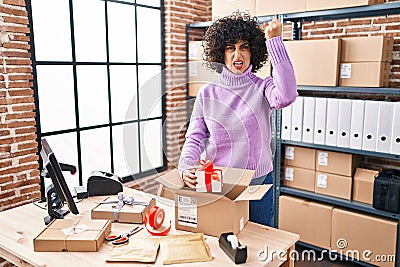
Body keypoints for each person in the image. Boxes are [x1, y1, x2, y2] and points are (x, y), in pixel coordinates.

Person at [178, 11, 298, 226]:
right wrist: (186, 167)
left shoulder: (263, 86)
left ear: (253, 51)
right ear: (221, 54)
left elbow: (287, 96)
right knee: (222, 240)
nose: (237, 56)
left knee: (261, 243)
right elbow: (194, 138)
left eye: (244, 47)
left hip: (258, 182)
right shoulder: (207, 93)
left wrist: (275, 42)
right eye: (230, 48)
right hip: (219, 182)